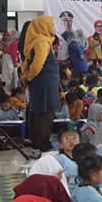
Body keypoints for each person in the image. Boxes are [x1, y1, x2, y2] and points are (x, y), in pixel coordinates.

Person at [21, 16, 61, 153]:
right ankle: (43, 143)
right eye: (52, 25)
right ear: (43, 27)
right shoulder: (42, 42)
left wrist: (29, 77)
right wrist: (30, 77)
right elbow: (37, 64)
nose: (53, 27)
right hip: (44, 83)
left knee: (38, 110)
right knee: (45, 112)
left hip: (41, 82)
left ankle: (37, 141)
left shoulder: (37, 40)